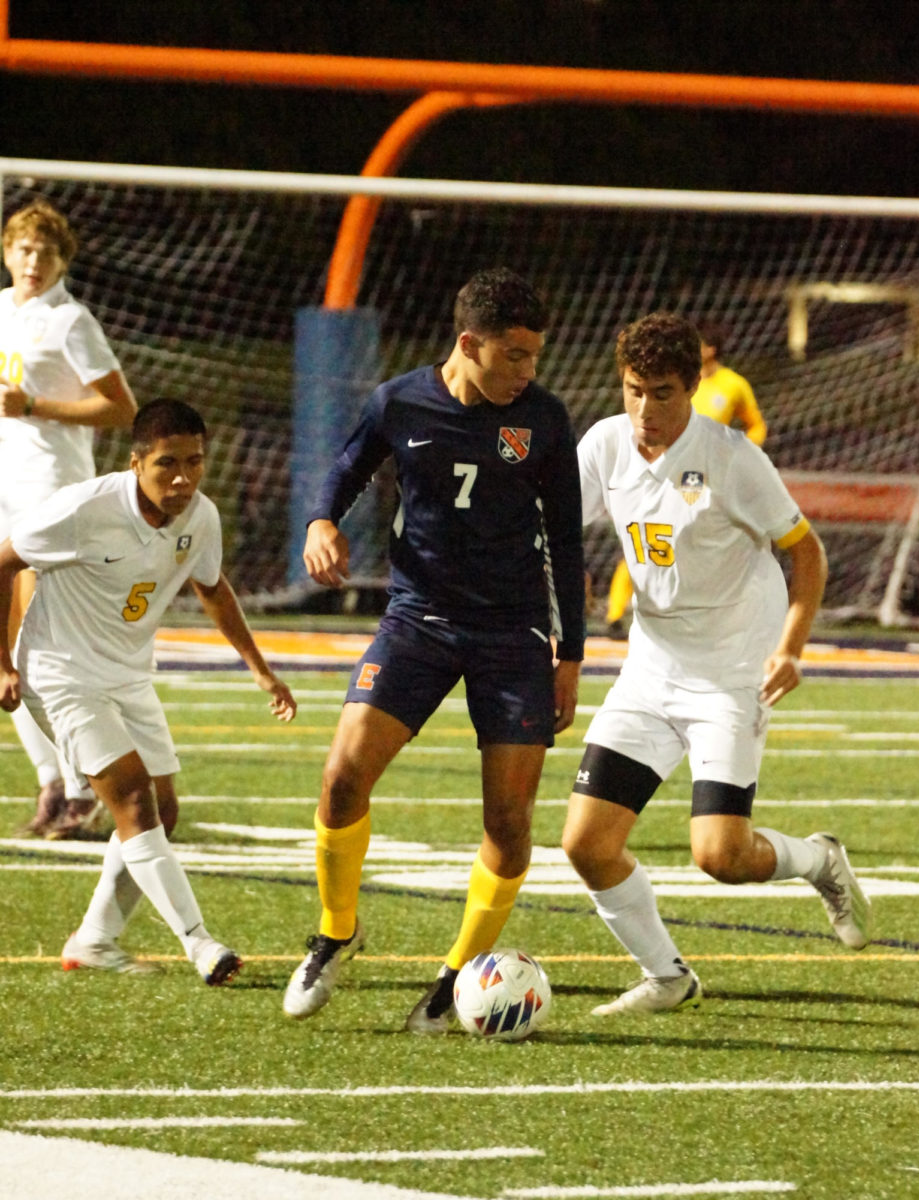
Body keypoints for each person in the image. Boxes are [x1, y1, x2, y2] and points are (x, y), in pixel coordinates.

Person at [282, 267, 586, 1031]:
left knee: (508, 821)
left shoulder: (544, 420)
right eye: (513, 355)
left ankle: (455, 980)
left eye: (534, 356)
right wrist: (320, 523)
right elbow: (345, 470)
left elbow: (568, 545)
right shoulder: (399, 400)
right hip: (416, 620)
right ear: (467, 344)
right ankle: (334, 932)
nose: (527, 372)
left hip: (511, 633)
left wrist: (570, 652)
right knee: (341, 778)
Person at [563, 311, 871, 1017]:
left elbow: (806, 553)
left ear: (694, 387)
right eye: (633, 389)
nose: (644, 409)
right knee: (586, 843)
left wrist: (791, 644)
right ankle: (667, 978)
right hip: (649, 669)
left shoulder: (732, 458)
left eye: (662, 392)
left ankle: (818, 861)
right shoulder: (605, 445)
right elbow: (564, 535)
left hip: (732, 676)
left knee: (720, 857)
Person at [0, 398, 298, 983]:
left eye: (195, 462)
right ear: (136, 463)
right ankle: (201, 944)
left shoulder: (201, 516)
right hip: (60, 673)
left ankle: (94, 941)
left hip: (128, 674)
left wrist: (260, 668)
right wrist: (2, 664)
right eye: (167, 464)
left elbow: (213, 588)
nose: (183, 478)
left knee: (164, 809)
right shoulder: (85, 509)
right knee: (134, 802)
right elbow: (3, 561)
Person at [0, 199, 138, 838]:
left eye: (46, 252)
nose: (33, 261)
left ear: (62, 261)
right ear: (8, 252)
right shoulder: (1, 312)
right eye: (25, 249)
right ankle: (53, 782)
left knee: (41, 650)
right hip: (5, 491)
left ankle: (83, 788)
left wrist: (34, 405)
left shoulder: (70, 322)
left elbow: (120, 409)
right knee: (8, 656)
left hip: (52, 495)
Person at [603, 319, 766, 638]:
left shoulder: (734, 385)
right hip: (661, 472)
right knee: (644, 541)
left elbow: (756, 425)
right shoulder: (673, 380)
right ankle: (613, 616)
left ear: (711, 349)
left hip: (703, 478)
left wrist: (743, 451)